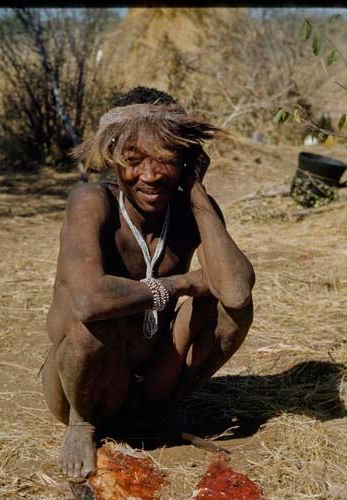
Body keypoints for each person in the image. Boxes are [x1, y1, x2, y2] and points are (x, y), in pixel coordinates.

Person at [42, 86, 255, 479]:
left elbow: (237, 293)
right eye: (134, 159)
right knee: (92, 325)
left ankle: (166, 406)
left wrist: (196, 194)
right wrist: (180, 283)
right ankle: (83, 426)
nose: (151, 175)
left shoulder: (190, 211)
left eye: (166, 159)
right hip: (84, 387)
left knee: (227, 308)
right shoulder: (92, 202)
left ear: (186, 160)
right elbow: (89, 301)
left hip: (151, 377)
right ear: (111, 158)